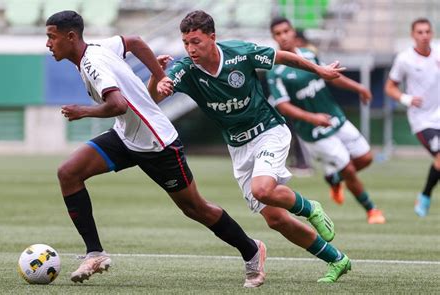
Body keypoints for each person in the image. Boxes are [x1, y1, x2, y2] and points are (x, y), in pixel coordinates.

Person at [45, 10, 268, 288]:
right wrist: (158, 75)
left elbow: (118, 105)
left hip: (157, 143)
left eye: (51, 37)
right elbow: (135, 41)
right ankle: (95, 253)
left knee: (196, 208)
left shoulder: (92, 64)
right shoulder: (99, 47)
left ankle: (251, 250)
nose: (48, 44)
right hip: (126, 137)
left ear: (70, 37)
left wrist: (84, 111)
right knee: (68, 173)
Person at [149, 10, 351, 283]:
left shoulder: (239, 53)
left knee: (262, 189)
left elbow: (282, 57)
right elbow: (155, 96)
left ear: (212, 37)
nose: (190, 48)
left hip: (269, 131)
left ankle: (309, 207)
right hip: (239, 147)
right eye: (186, 43)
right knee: (275, 220)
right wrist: (155, 77)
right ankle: (337, 260)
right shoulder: (185, 69)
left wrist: (319, 70)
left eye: (196, 41)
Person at [266, 17, 386, 225]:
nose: (283, 36)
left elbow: (331, 76)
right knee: (348, 167)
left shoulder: (309, 55)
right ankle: (372, 210)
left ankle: (334, 178)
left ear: (293, 32)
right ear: (274, 37)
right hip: (313, 130)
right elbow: (284, 106)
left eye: (286, 31)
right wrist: (313, 118)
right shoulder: (276, 71)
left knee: (365, 158)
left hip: (334, 116)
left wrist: (359, 88)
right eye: (278, 33)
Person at [385, 18, 439, 217]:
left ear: (432, 34)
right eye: (420, 32)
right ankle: (425, 197)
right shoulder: (404, 59)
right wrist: (406, 98)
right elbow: (389, 87)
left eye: (427, 32)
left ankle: (424, 195)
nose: (424, 36)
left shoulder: (438, 52)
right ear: (413, 35)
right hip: (422, 120)